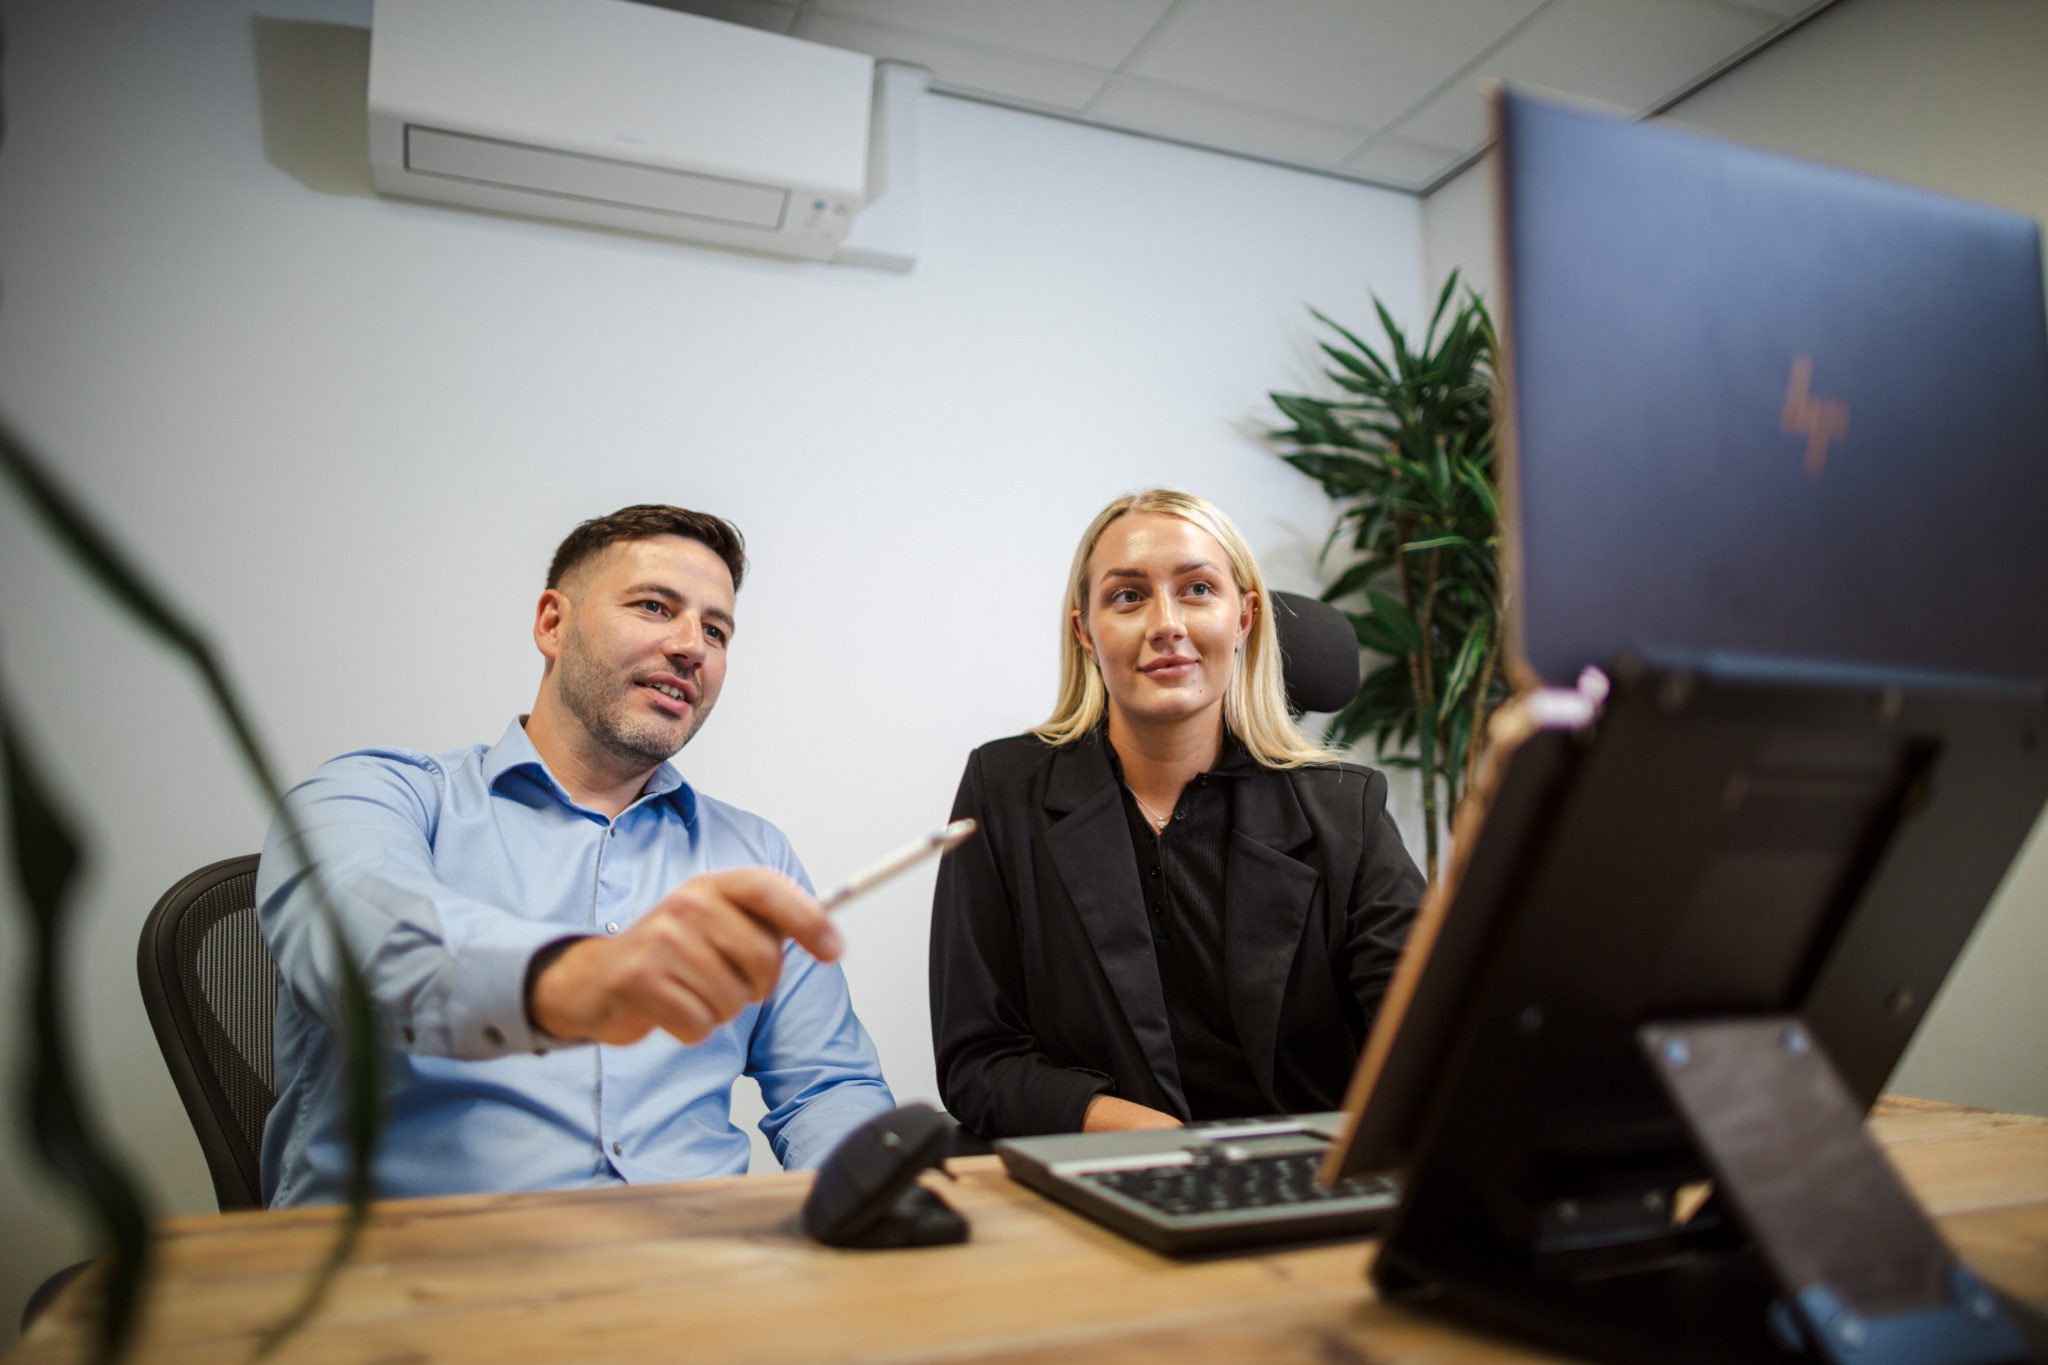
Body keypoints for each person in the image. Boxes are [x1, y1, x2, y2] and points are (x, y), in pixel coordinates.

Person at [258, 505, 894, 1206]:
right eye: (655, 606)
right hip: (426, 1276)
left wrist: (872, 1188)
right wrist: (580, 978)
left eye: (716, 630)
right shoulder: (380, 796)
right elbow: (358, 943)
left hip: (690, 1272)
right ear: (552, 624)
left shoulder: (754, 853)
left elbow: (827, 1086)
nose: (693, 647)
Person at [930, 488, 1424, 1138]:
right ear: (1085, 630)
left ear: (1244, 617)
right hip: (1099, 1179)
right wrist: (1137, 1133)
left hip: (1298, 1180)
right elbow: (977, 1059)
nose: (1166, 622)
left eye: (1196, 589)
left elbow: (1428, 1032)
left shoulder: (1344, 810)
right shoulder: (1003, 790)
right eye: (1128, 596)